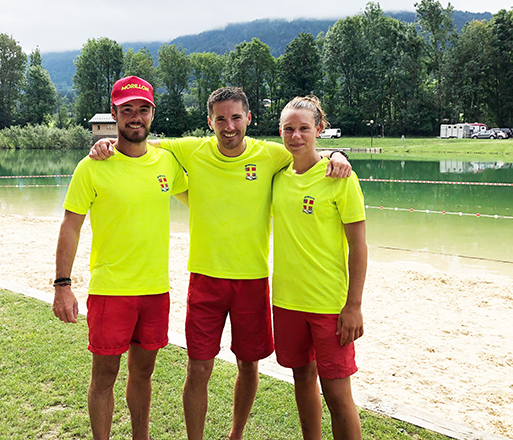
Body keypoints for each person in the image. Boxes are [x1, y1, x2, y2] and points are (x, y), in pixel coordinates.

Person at [90, 87, 352, 440]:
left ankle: (235, 435)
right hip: (205, 279)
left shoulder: (272, 155)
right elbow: (140, 144)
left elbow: (308, 152)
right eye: (220, 119)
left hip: (252, 280)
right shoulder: (191, 150)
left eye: (236, 118)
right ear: (209, 121)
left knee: (249, 365)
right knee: (198, 368)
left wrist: (339, 153)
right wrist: (104, 143)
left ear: (249, 119)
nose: (229, 126)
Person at [53, 75, 188, 440]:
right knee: (104, 377)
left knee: (143, 376)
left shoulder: (167, 164)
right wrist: (62, 285)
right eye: (127, 109)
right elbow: (71, 226)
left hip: (155, 290)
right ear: (114, 113)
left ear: (152, 114)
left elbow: (208, 193)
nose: (135, 117)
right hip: (111, 291)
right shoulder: (91, 167)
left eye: (142, 109)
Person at [272, 96, 367, 440]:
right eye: (288, 128)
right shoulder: (277, 177)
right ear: (280, 131)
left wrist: (353, 305)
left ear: (319, 130)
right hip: (286, 302)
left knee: (338, 395)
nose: (296, 136)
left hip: (329, 305)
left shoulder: (339, 177)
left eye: (304, 128)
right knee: (301, 380)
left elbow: (359, 247)